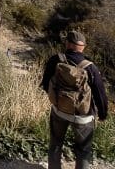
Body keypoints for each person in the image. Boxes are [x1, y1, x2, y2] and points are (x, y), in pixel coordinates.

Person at [41, 29, 109, 169]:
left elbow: (46, 83)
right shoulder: (90, 67)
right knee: (83, 150)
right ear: (82, 46)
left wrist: (58, 98)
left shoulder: (55, 60)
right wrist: (102, 114)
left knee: (55, 144)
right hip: (82, 116)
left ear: (68, 44)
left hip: (59, 110)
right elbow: (100, 94)